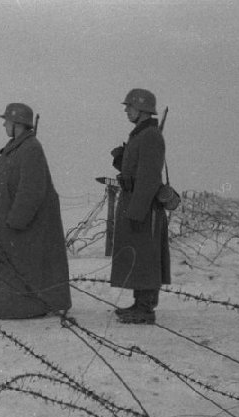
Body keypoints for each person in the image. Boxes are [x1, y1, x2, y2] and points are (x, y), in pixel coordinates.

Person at [0, 102, 72, 319]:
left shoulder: (31, 148)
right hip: (7, 226)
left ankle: (22, 306)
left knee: (22, 269)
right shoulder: (15, 148)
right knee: (8, 268)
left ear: (18, 123)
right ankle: (9, 304)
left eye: (7, 121)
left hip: (19, 227)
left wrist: (16, 221)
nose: (4, 125)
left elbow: (32, 189)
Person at [109, 89, 171, 324]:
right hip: (135, 202)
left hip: (143, 206)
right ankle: (139, 303)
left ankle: (145, 309)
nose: (126, 110)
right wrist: (123, 161)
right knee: (140, 255)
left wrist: (137, 210)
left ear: (142, 109)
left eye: (130, 106)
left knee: (146, 256)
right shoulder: (141, 135)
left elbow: (148, 178)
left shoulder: (151, 136)